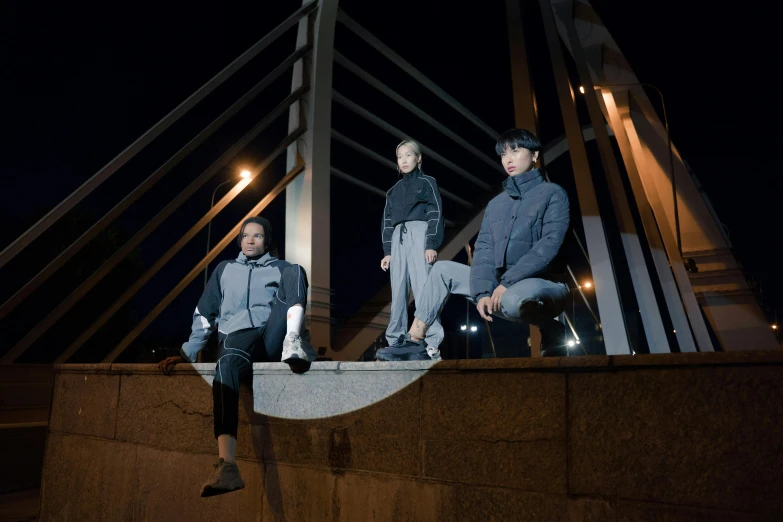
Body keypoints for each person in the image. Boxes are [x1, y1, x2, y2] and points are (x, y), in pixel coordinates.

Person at [376, 128, 571, 360]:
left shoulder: (553, 193)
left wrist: (505, 283)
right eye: (503, 155)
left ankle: (551, 327)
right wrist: (482, 291)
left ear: (535, 156)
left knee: (511, 300)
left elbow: (548, 245)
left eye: (515, 151)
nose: (508, 159)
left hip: (543, 285)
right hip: (500, 285)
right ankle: (414, 341)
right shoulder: (496, 204)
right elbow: (484, 251)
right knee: (440, 270)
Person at [157, 216, 315, 497]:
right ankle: (227, 465)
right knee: (226, 364)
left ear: (267, 241)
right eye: (245, 235)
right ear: (239, 240)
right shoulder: (224, 269)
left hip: (271, 337)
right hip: (237, 337)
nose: (251, 240)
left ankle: (294, 343)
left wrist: (298, 335)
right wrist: (188, 353)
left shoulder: (280, 268)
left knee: (296, 271)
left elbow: (291, 300)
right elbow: (205, 313)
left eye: (257, 236)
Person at [378, 139, 446, 361]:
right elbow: (387, 222)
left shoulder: (428, 182)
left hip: (420, 233)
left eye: (408, 155)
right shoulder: (393, 191)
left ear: (419, 158)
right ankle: (396, 340)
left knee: (424, 288)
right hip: (398, 237)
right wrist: (387, 251)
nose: (404, 160)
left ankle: (432, 341)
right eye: (400, 156)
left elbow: (435, 212)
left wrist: (431, 244)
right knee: (397, 290)